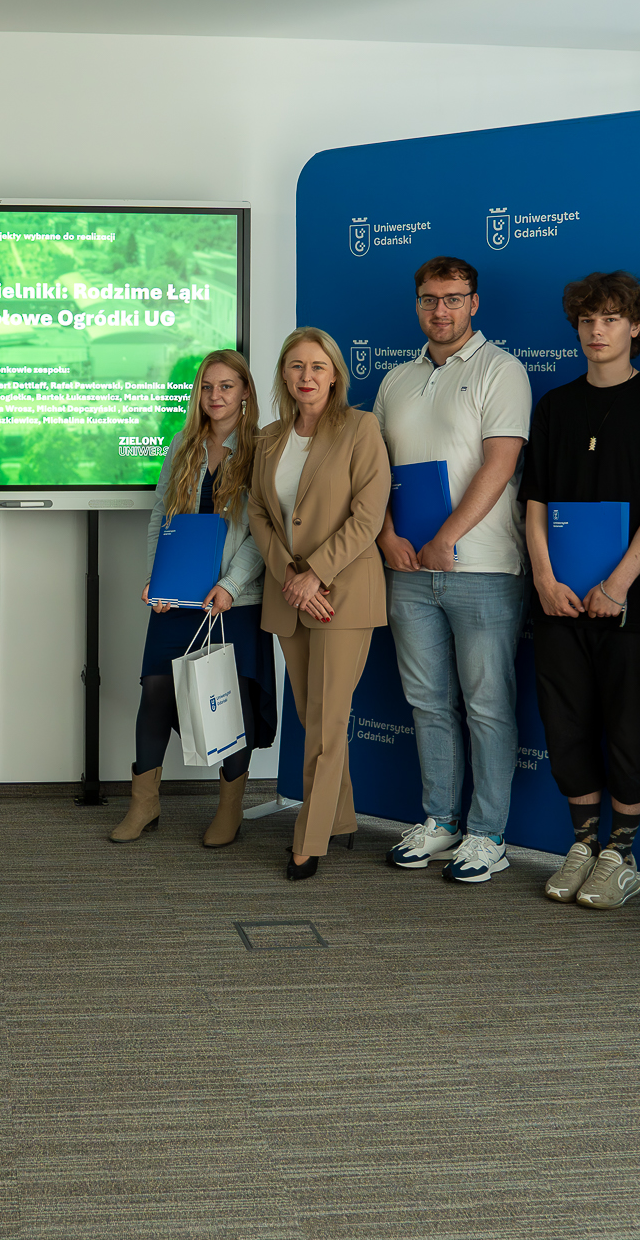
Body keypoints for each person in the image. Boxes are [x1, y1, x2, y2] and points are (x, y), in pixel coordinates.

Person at [520, 271, 640, 910]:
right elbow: (535, 500)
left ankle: (621, 853)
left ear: (636, 326)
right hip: (557, 600)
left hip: (629, 603)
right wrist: (543, 578)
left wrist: (618, 585)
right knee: (564, 721)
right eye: (587, 320)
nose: (597, 330)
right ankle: (582, 845)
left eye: (611, 319)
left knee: (629, 725)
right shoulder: (555, 405)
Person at [375, 256, 532, 884]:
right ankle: (440, 822)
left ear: (474, 303)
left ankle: (488, 834)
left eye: (453, 298)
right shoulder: (395, 380)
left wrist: (447, 538)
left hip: (483, 568)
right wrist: (386, 535)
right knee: (427, 703)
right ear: (417, 303)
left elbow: (500, 464)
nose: (440, 310)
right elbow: (374, 474)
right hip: (407, 569)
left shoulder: (501, 369)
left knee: (487, 705)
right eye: (429, 299)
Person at [110, 349, 277, 847]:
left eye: (226, 386)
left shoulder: (264, 448)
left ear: (245, 392)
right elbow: (161, 516)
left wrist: (230, 586)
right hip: (179, 599)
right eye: (207, 386)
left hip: (237, 601)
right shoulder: (183, 444)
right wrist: (157, 579)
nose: (215, 395)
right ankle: (144, 803)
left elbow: (264, 531)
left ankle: (229, 809)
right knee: (156, 690)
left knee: (233, 700)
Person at [247, 328, 391, 881]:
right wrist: (290, 574)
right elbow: (259, 512)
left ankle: (308, 841)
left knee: (328, 724)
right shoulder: (268, 438)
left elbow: (368, 515)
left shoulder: (360, 428)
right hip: (291, 594)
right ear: (283, 374)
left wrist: (316, 574)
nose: (306, 376)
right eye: (296, 366)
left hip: (341, 595)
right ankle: (341, 818)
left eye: (317, 367)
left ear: (334, 376)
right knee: (314, 718)